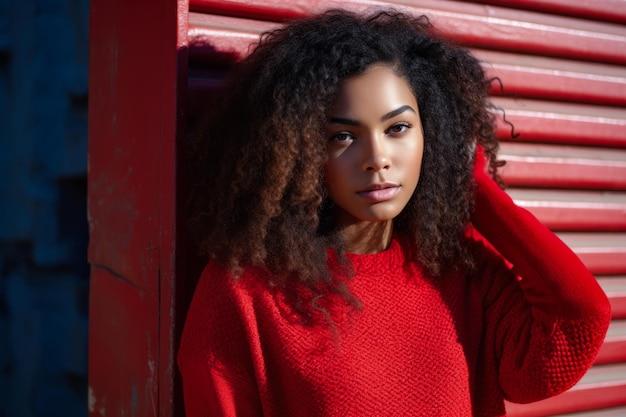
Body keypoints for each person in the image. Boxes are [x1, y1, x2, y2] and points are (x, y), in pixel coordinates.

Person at [177, 9, 611, 416]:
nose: (377, 158)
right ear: (297, 149)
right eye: (343, 136)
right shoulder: (245, 291)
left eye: (398, 128)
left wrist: (477, 189)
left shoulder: (459, 266)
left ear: (432, 132)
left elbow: (575, 325)